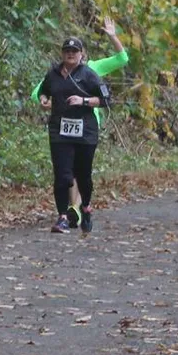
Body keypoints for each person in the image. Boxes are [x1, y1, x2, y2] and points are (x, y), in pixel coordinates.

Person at [38, 36, 110, 233]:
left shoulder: (89, 75)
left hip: (85, 132)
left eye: (74, 51)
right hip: (59, 130)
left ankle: (85, 208)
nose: (70, 54)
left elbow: (106, 99)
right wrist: (44, 99)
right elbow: (43, 91)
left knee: (83, 175)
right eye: (67, 51)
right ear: (62, 53)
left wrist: (84, 101)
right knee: (62, 175)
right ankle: (62, 217)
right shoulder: (53, 74)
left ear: (81, 54)